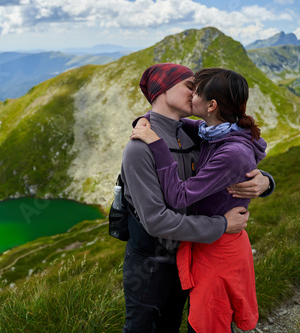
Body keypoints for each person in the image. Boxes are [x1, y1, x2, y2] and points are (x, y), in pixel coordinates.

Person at [120, 63, 274, 333]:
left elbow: (233, 155)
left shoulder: (195, 134)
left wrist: (265, 180)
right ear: (163, 91)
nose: (193, 94)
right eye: (189, 87)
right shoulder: (139, 147)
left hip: (188, 255)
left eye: (196, 89)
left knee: (174, 324)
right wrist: (222, 225)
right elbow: (156, 220)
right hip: (150, 265)